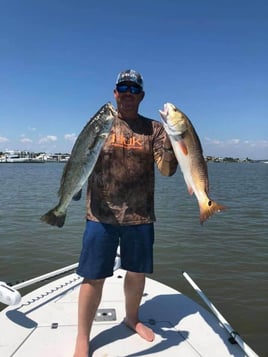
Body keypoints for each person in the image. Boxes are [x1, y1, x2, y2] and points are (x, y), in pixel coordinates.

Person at [73, 69, 178, 357]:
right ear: (115, 93)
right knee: (93, 276)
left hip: (140, 216)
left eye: (134, 89)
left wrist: (171, 143)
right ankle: (83, 337)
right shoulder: (101, 124)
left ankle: (132, 318)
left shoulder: (155, 129)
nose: (128, 93)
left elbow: (167, 171)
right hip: (100, 214)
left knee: (136, 272)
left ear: (141, 95)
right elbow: (80, 156)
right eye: (123, 88)